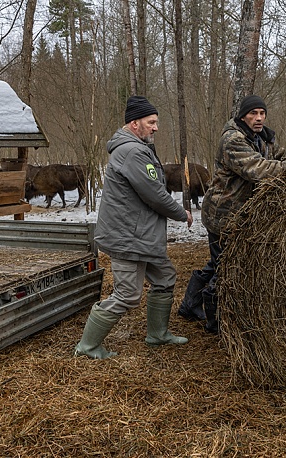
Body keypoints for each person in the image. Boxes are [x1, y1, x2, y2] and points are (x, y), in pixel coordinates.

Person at [177, 94, 286, 334]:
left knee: (219, 260)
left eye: (262, 113)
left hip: (239, 214)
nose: (258, 118)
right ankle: (214, 322)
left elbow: (281, 155)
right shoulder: (233, 140)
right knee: (225, 266)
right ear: (243, 116)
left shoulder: (260, 137)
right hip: (223, 214)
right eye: (253, 114)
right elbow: (258, 169)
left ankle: (189, 304)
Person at [75, 95, 193, 359]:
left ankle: (158, 335)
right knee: (128, 294)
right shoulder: (132, 151)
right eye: (151, 122)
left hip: (141, 236)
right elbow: (155, 194)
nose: (156, 127)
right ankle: (87, 347)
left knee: (164, 278)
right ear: (134, 123)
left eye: (156, 122)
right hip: (128, 237)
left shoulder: (135, 147)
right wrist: (181, 214)